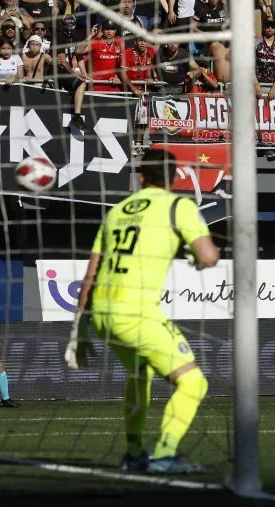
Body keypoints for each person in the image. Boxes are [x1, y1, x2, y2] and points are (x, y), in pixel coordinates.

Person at [65, 149, 220, 474]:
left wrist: (78, 330)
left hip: (102, 314)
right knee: (193, 383)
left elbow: (90, 274)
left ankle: (134, 453)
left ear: (141, 177)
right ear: (175, 177)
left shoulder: (117, 211)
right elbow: (208, 257)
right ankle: (164, 455)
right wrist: (198, 252)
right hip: (135, 311)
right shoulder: (179, 205)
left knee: (140, 374)